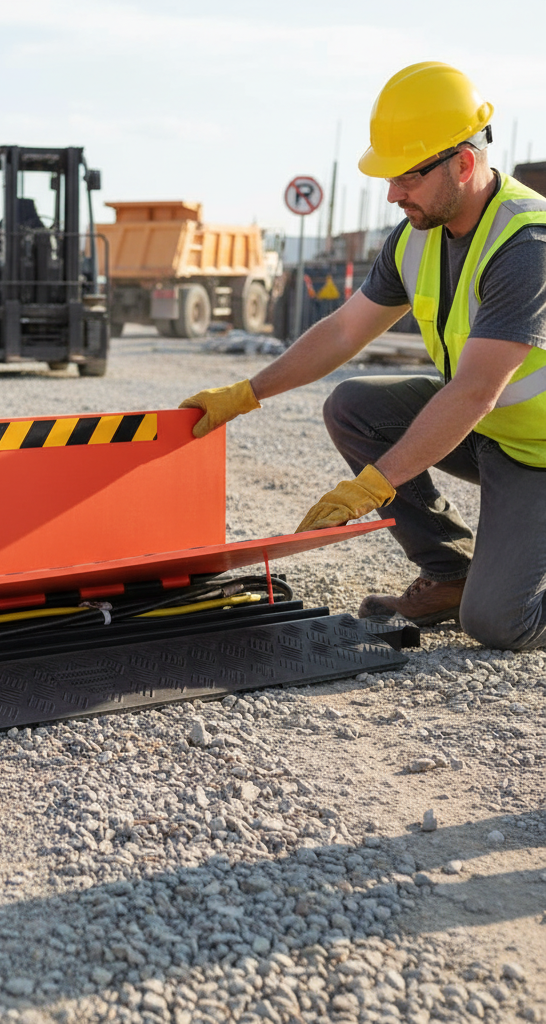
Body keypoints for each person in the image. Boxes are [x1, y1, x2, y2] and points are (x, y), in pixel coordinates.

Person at [180, 62, 546, 650]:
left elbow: (476, 390)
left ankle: (484, 595)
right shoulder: (415, 236)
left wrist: (375, 484)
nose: (393, 193)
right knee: (354, 407)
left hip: (538, 453)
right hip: (494, 432)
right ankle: (451, 575)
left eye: (406, 177)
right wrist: (247, 393)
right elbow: (344, 332)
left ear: (463, 164)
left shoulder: (526, 245)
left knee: (500, 623)